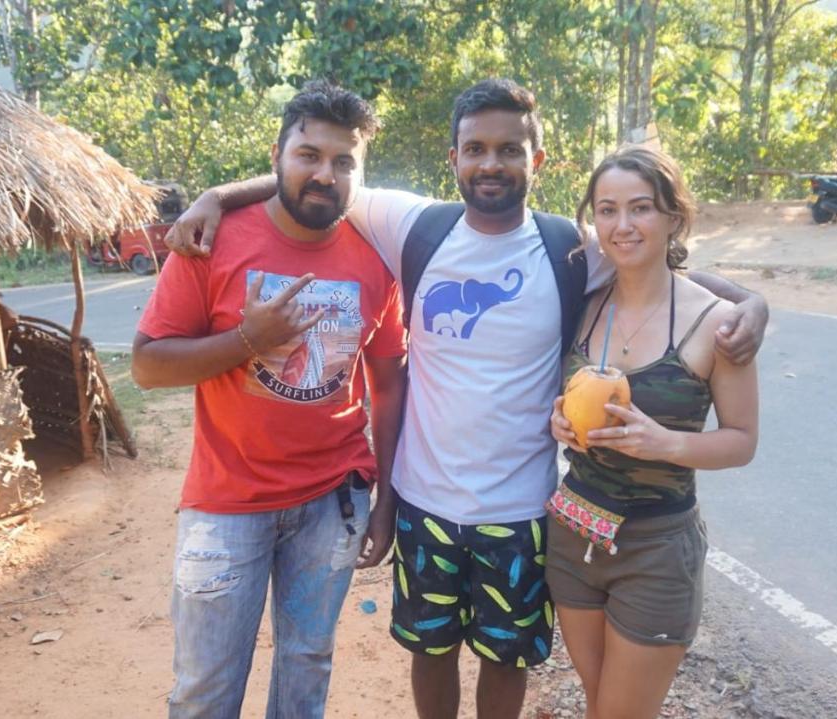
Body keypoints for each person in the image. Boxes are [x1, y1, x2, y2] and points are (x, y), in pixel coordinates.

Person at [166, 78, 768, 718]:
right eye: (475, 148)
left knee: (506, 663)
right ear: (452, 158)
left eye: (509, 150)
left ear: (535, 161)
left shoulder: (567, 247)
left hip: (523, 512)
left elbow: (656, 265)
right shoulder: (416, 226)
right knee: (430, 654)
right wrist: (215, 196)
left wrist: (749, 301)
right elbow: (320, 181)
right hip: (425, 503)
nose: (490, 163)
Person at [131, 81, 408, 719]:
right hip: (226, 503)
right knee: (205, 687)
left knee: (307, 667)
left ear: (360, 174)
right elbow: (147, 366)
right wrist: (247, 339)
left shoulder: (378, 257)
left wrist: (387, 500)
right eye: (308, 155)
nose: (324, 174)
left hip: (334, 500)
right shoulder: (214, 240)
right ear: (278, 157)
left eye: (343, 162)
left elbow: (390, 384)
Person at [548, 146, 758, 719]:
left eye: (640, 208)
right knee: (600, 706)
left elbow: (741, 439)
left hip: (657, 551)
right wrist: (558, 418)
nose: (622, 225)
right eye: (607, 210)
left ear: (673, 216)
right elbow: (557, 392)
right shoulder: (584, 305)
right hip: (573, 535)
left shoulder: (716, 322)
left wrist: (666, 443)